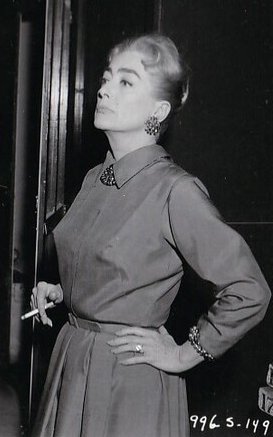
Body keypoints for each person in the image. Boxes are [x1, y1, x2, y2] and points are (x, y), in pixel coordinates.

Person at [30, 34, 270, 437]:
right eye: (106, 78)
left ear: (158, 111)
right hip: (73, 358)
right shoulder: (95, 177)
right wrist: (62, 290)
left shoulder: (176, 190)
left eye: (126, 81)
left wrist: (184, 354)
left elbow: (249, 290)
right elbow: (115, 269)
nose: (104, 89)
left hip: (127, 376)